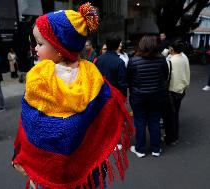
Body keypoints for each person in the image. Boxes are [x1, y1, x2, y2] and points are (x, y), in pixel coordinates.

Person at [12, 3, 133, 189]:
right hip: (81, 174)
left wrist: (21, 154)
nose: (35, 48)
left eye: (40, 43)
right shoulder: (42, 78)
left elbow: (104, 116)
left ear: (60, 47)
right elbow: (27, 122)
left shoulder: (91, 79)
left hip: (75, 173)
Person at [127, 35, 169, 158]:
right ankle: (156, 149)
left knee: (139, 121)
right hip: (157, 95)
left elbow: (128, 79)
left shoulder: (133, 60)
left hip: (138, 96)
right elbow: (165, 76)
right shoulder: (161, 59)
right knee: (154, 120)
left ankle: (140, 149)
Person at [163, 40, 190, 146]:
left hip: (172, 91)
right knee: (175, 114)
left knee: (169, 116)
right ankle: (174, 136)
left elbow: (166, 75)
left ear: (171, 49)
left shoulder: (170, 61)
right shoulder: (184, 57)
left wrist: (164, 55)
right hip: (182, 89)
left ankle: (171, 138)